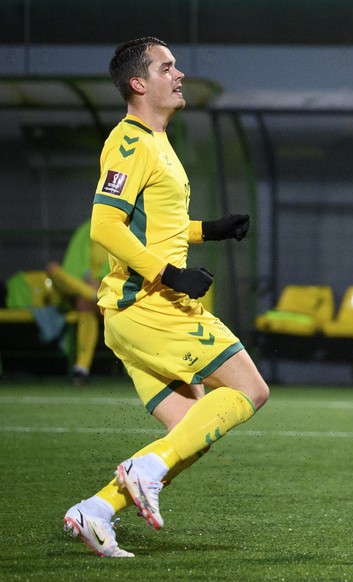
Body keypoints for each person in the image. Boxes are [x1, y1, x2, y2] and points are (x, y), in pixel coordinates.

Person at [63, 37, 269, 558]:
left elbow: (156, 224)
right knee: (250, 388)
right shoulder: (130, 142)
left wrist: (210, 231)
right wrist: (170, 275)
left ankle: (98, 509)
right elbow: (105, 226)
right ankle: (141, 470)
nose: (178, 74)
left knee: (190, 432)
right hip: (149, 306)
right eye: (166, 67)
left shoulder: (157, 141)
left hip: (132, 314)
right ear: (139, 83)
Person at [46, 219, 111, 384]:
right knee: (53, 270)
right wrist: (88, 285)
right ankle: (92, 294)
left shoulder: (126, 230)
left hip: (110, 292)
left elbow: (124, 266)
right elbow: (73, 266)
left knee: (85, 304)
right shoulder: (86, 229)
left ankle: (81, 368)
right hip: (80, 290)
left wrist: (102, 281)